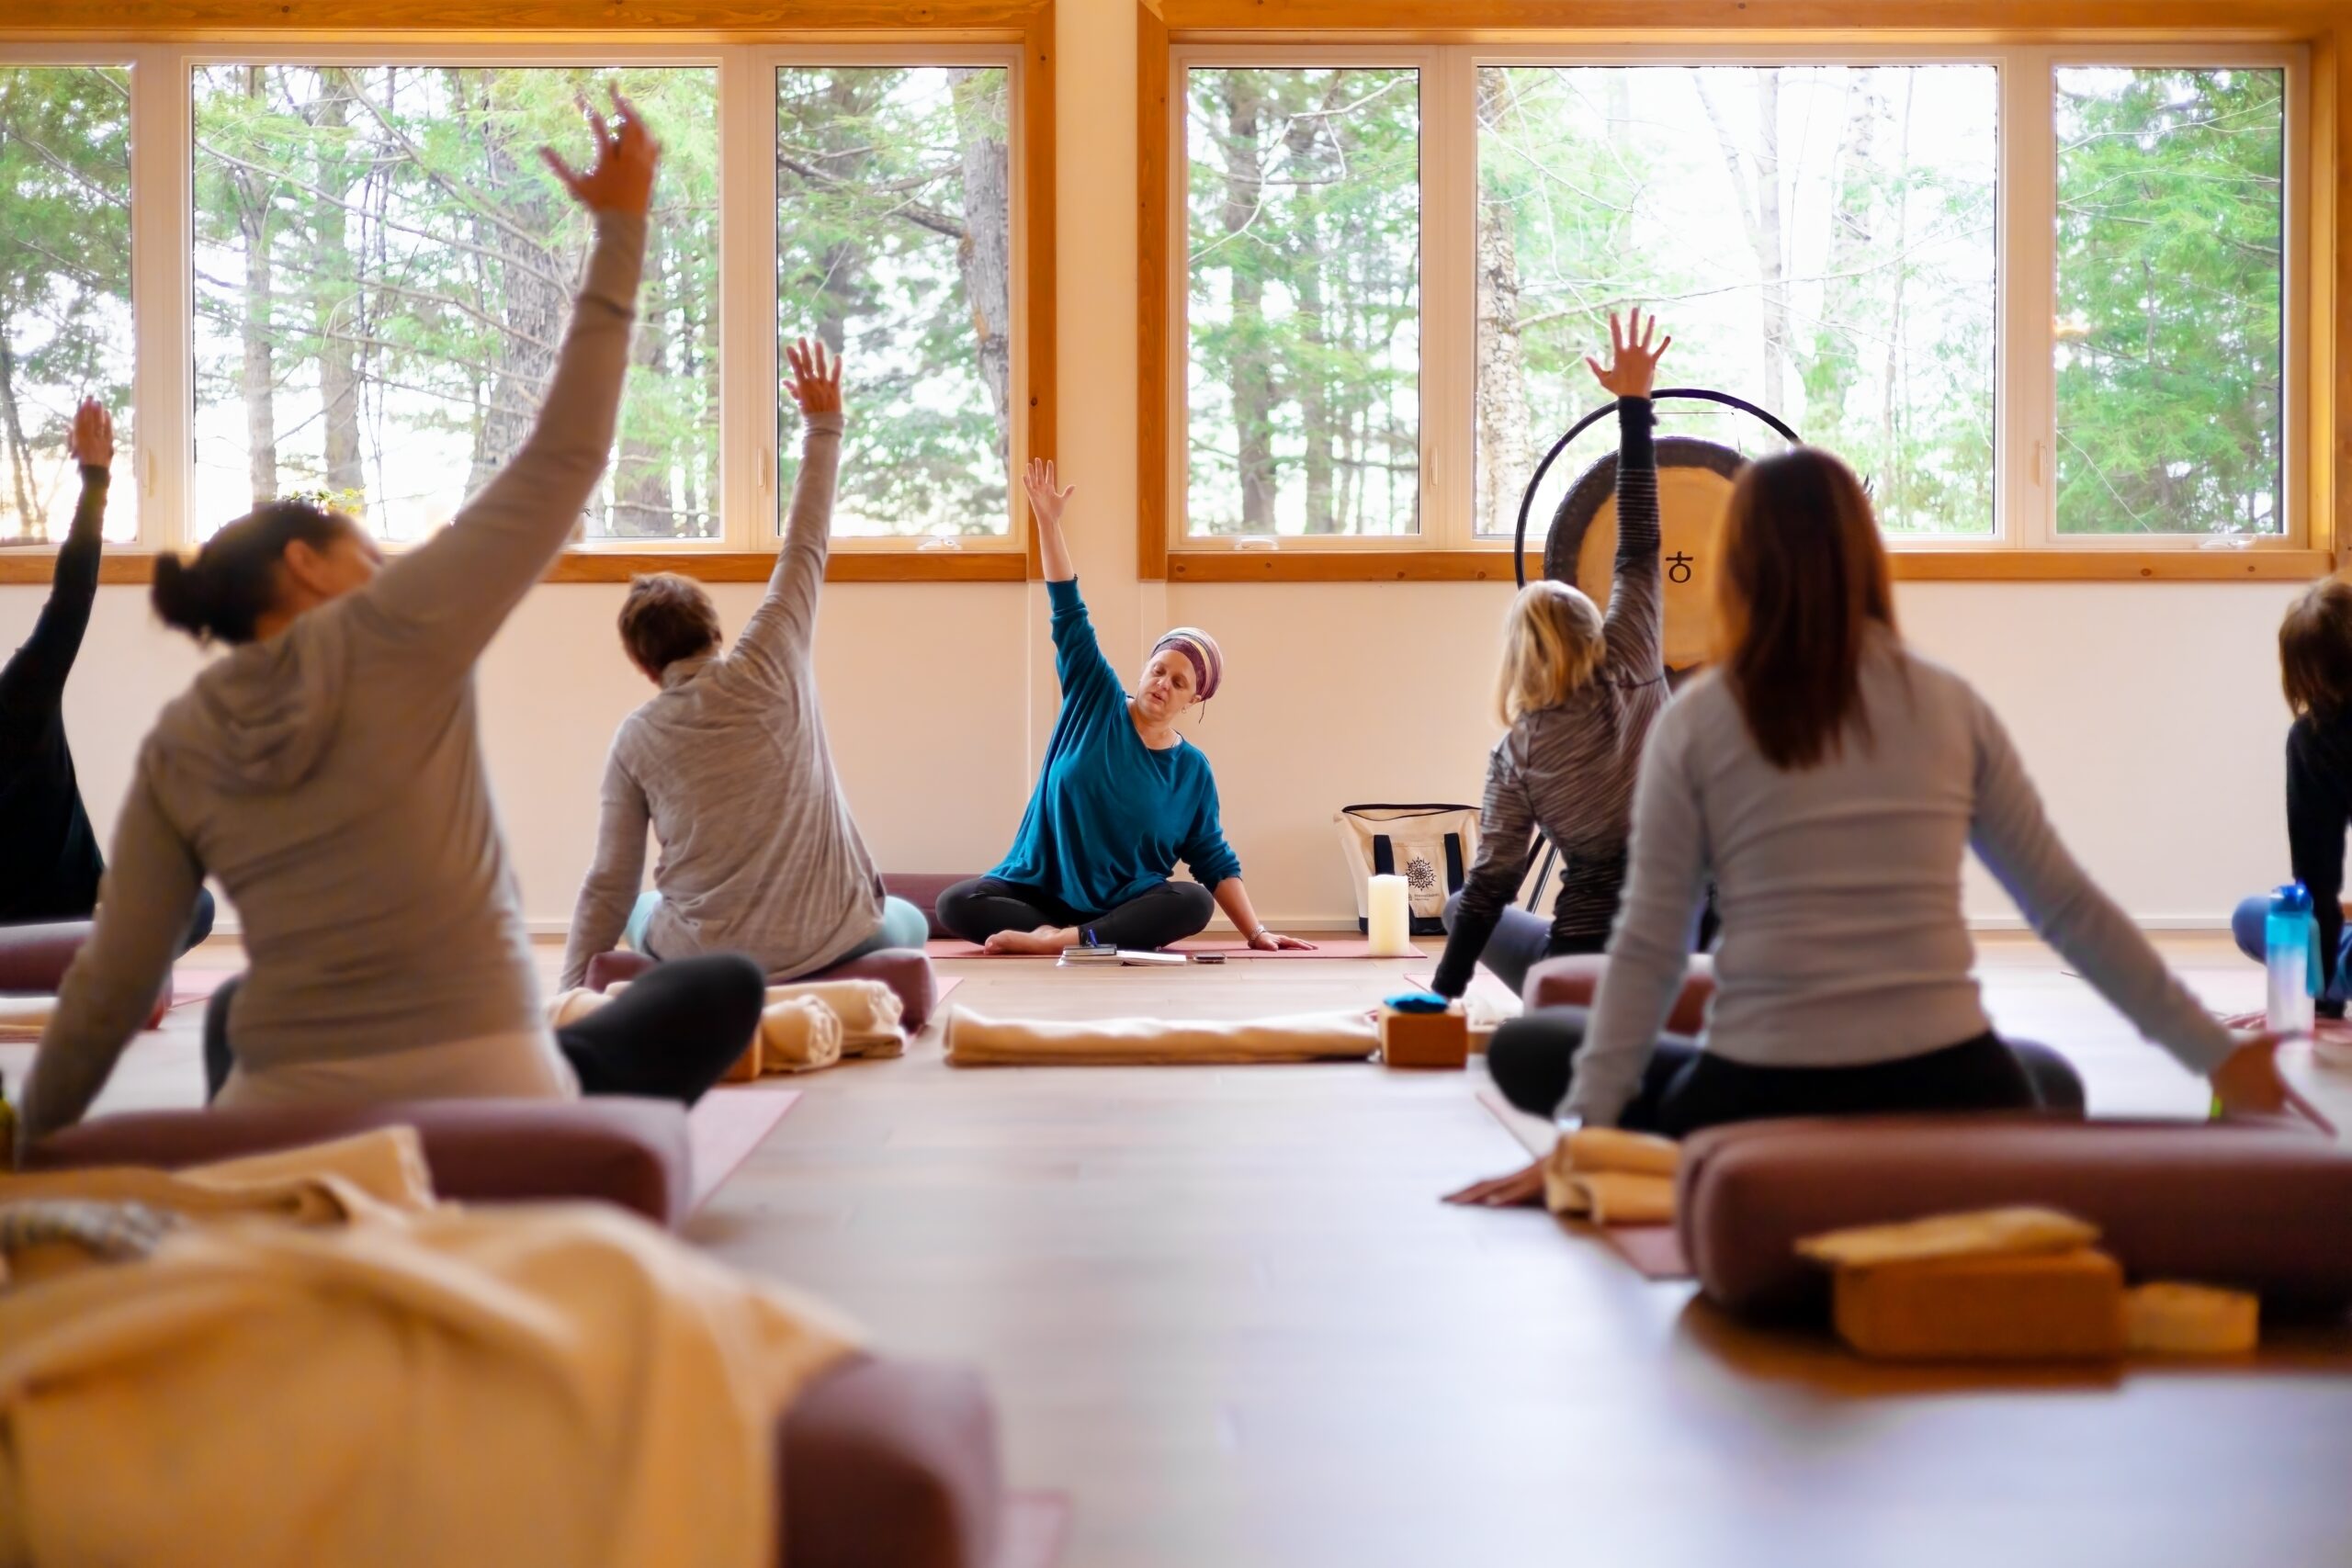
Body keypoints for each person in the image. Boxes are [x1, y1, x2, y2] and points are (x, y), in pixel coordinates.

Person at [19, 89, 763, 1156]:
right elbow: (566, 455)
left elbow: (113, 980)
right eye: (366, 545)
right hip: (498, 1096)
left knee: (232, 1006)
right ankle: (564, 1137)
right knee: (724, 987)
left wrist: (28, 1147)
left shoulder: (180, 739)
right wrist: (619, 229)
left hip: (283, 1123)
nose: (387, 561)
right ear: (306, 564)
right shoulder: (403, 627)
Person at [1450, 443, 2321, 1204]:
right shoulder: (1949, 703)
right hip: (1949, 1080)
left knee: (1532, 1048)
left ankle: (1762, 1157)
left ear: (1737, 569)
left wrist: (1583, 1142)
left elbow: (1650, 949)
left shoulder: (1700, 718)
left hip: (1759, 1089)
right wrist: (2217, 1056)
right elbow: (2069, 908)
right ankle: (1937, 1149)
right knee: (2046, 1076)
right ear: (1867, 559)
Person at [558, 339, 926, 992]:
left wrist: (565, 997)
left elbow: (609, 882)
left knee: (642, 908)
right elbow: (805, 544)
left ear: (646, 666)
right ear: (715, 631)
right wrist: (823, 425)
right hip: (832, 934)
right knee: (907, 919)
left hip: (708, 956)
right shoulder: (773, 654)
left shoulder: (636, 736)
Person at [936, 460, 1311, 954]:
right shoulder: (1095, 700)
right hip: (1041, 895)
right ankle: (1069, 936)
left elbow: (1213, 859)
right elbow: (1068, 609)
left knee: (1193, 902)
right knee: (956, 903)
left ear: (1194, 698)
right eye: (1158, 669)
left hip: (1123, 907)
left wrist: (1256, 932)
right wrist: (1048, 524)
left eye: (1179, 682)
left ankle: (1068, 942)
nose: (1162, 684)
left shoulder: (1191, 771)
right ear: (1145, 668)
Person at [1431, 310, 1672, 1002]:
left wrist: (1440, 996)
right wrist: (1634, 404)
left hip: (1582, 969)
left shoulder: (1519, 753)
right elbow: (1639, 541)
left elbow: (1491, 886)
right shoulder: (1633, 655)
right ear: (1591, 623)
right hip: (1683, 945)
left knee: (1456, 906)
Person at [0, 399, 213, 948]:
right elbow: (72, 601)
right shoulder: (20, 696)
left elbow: (71, 600)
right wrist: (95, 477)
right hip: (69, 936)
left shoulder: (19, 698)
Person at [2225, 577, 2352, 1026]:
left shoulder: (2314, 739)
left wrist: (2308, 1005)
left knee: (2254, 918)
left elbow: (2315, 879)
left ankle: (2331, 980)